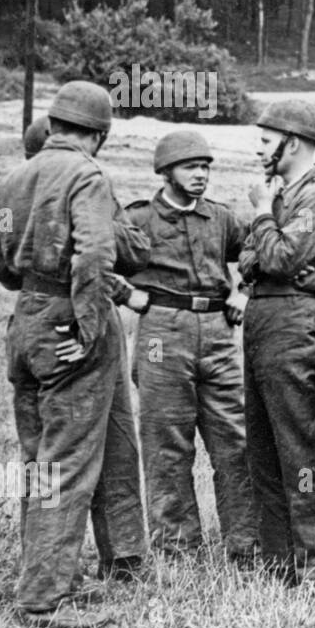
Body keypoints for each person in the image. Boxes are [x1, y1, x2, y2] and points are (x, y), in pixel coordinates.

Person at [0, 82, 130, 628]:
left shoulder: (9, 180)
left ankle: (42, 577)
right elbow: (96, 253)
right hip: (67, 319)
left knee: (39, 460)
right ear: (98, 134)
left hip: (25, 318)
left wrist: (36, 290)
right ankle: (43, 599)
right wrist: (88, 325)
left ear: (51, 125)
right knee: (68, 463)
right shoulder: (86, 175)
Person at [24, 116, 150, 582]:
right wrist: (88, 321)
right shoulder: (79, 182)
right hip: (76, 322)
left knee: (106, 441)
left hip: (45, 318)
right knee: (62, 458)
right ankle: (49, 580)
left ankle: (123, 557)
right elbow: (113, 252)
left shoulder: (23, 188)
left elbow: (135, 247)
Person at [124, 129, 257, 563]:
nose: (200, 175)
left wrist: (244, 290)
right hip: (162, 333)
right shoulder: (140, 219)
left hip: (218, 331)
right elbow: (93, 255)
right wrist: (123, 293)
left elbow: (260, 251)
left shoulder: (220, 218)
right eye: (190, 167)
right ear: (166, 172)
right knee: (167, 440)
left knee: (235, 439)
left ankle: (246, 544)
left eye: (205, 167)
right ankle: (178, 548)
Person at [237, 100, 315, 584]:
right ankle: (279, 563)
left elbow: (278, 258)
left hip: (296, 321)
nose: (259, 149)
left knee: (299, 448)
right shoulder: (283, 195)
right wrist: (269, 240)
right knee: (262, 448)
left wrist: (263, 216)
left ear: (291, 142)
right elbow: (247, 262)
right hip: (263, 316)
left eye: (265, 139)